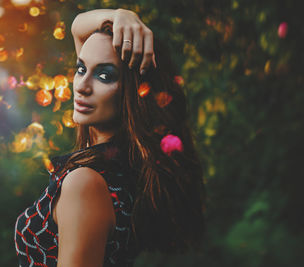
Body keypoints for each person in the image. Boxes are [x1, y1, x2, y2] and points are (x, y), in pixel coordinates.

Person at [14, 8, 206, 267]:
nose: (82, 85)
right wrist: (120, 16)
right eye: (81, 69)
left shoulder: (85, 184)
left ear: (135, 94)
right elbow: (78, 27)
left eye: (104, 76)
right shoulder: (127, 169)